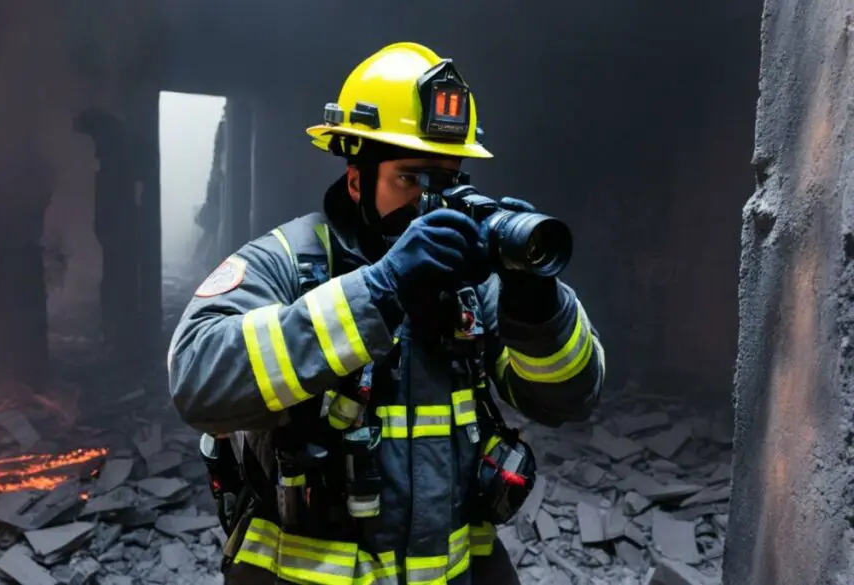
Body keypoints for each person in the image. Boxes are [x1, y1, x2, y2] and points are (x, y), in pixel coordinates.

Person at [168, 42, 606, 585]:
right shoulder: (288, 261)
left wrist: (534, 302)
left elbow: (571, 395)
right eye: (411, 179)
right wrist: (378, 289)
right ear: (357, 180)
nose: (433, 203)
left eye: (449, 181)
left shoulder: (471, 289)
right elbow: (197, 381)